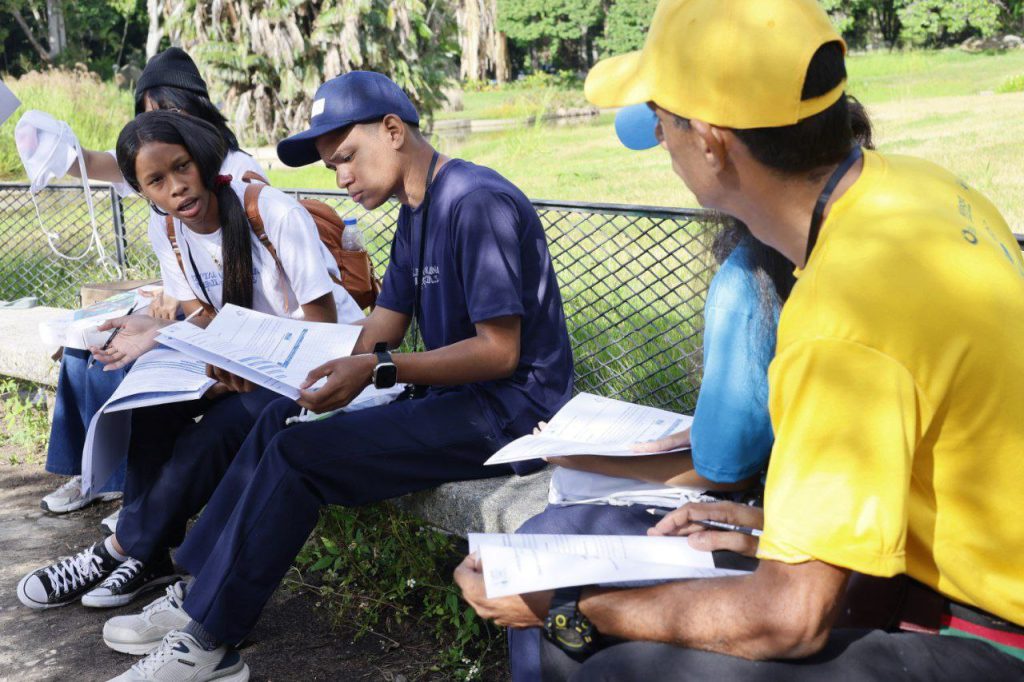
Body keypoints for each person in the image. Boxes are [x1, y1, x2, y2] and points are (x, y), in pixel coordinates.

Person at [456, 0, 1024, 679]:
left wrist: (571, 607)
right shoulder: (923, 188)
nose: (661, 141)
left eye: (662, 121)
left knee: (606, 657)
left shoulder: (839, 319)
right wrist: (772, 528)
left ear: (710, 139)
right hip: (961, 566)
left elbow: (789, 621)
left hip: (993, 632)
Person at [93, 70, 573, 682]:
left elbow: (500, 353)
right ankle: (198, 594)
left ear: (393, 130)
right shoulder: (416, 212)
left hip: (512, 415)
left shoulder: (473, 201)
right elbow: (380, 330)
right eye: (330, 166)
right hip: (455, 401)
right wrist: (288, 363)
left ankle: (210, 642)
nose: (341, 179)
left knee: (300, 455)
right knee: (279, 415)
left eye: (346, 157)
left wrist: (376, 367)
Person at [17, 110, 363, 614]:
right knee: (149, 402)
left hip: (318, 364)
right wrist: (156, 332)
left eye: (181, 167)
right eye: (156, 180)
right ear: (143, 192)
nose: (176, 188)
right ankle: (149, 554)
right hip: (245, 361)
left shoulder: (269, 210)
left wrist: (239, 372)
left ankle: (118, 548)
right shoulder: (170, 231)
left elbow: (322, 327)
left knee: (218, 428)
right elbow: (205, 313)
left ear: (201, 160)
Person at [41, 47, 268, 533]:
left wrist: (170, 315)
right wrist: (56, 148)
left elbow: (239, 288)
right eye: (148, 116)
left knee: (131, 363)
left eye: (168, 112)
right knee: (87, 340)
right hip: (182, 304)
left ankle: (132, 500)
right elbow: (99, 166)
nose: (160, 125)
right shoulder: (160, 164)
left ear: (197, 108)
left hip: (223, 320)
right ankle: (91, 476)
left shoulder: (233, 173)